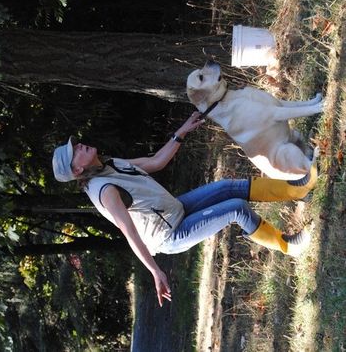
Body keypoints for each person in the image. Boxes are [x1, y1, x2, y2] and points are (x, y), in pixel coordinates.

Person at [52, 112, 317, 307]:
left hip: (176, 208)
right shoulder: (105, 190)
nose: (79, 146)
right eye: (75, 152)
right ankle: (288, 246)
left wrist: (182, 131)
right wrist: (155, 270)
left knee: (227, 187)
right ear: (77, 170)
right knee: (236, 209)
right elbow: (129, 233)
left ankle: (299, 189)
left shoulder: (109, 164)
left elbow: (155, 162)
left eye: (76, 145)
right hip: (171, 233)